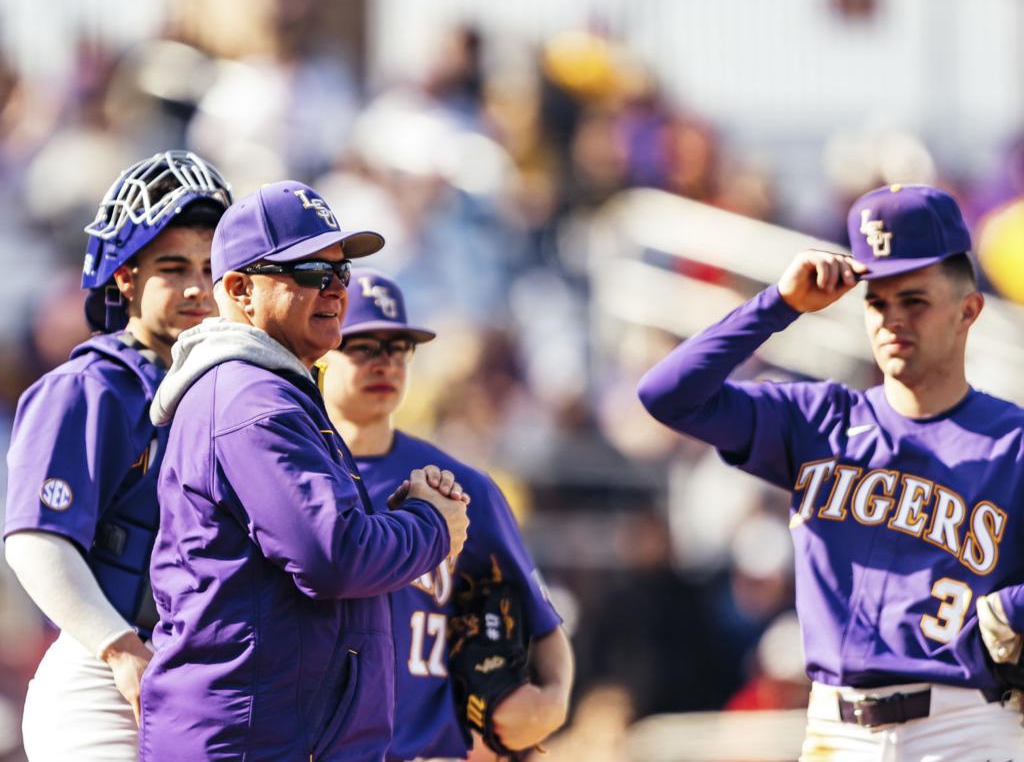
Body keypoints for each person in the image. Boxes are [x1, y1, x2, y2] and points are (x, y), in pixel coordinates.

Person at [637, 183, 1024, 760]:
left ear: (968, 310)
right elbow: (668, 395)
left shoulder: (1013, 440)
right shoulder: (817, 420)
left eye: (913, 300)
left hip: (965, 728)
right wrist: (779, 304)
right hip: (832, 730)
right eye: (877, 303)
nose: (892, 320)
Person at [140, 181, 471, 761]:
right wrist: (431, 526)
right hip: (248, 743)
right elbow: (332, 557)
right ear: (241, 288)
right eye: (311, 272)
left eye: (341, 273)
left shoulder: (274, 391)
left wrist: (398, 515)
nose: (337, 291)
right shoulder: (250, 401)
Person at [2, 151, 233, 760]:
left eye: (211, 268)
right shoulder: (88, 387)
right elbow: (35, 539)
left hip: (200, 678)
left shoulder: (231, 392)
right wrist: (118, 648)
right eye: (172, 267)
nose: (196, 287)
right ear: (125, 277)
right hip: (104, 673)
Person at [319, 269, 574, 762]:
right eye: (363, 346)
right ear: (322, 356)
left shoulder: (464, 486)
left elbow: (542, 622)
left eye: (398, 348)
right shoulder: (290, 479)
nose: (384, 363)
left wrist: (555, 700)